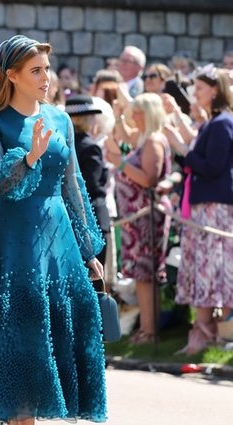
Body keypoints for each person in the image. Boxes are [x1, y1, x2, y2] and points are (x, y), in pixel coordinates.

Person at [0, 35, 107, 425]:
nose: (46, 77)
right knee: (18, 351)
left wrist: (89, 249)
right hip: (11, 246)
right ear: (13, 76)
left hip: (59, 247)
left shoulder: (59, 119)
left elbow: (72, 185)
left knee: (55, 348)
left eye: (47, 69)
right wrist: (29, 156)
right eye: (36, 70)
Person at [173, 64, 233, 354]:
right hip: (203, 206)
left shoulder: (222, 122)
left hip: (215, 207)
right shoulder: (213, 121)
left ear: (215, 90)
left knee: (212, 268)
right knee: (203, 268)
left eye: (199, 88)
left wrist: (184, 151)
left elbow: (213, 167)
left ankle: (210, 330)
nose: (195, 94)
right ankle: (204, 329)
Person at [107, 92, 172, 344]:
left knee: (147, 275)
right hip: (137, 218)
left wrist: (121, 164)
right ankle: (146, 329)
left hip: (147, 217)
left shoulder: (154, 141)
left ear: (148, 114)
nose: (133, 116)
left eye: (137, 112)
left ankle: (149, 331)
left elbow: (148, 179)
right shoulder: (146, 139)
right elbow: (126, 135)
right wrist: (119, 116)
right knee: (142, 276)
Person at [65, 95, 111, 265]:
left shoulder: (63, 144)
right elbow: (93, 184)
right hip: (92, 214)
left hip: (68, 214)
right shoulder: (90, 147)